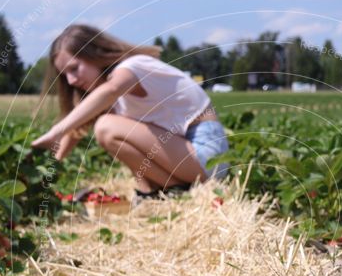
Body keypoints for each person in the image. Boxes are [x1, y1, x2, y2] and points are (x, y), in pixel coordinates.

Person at [31, 24, 229, 196]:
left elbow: (111, 90)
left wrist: (56, 131)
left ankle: (167, 190)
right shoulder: (114, 98)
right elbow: (76, 131)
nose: (71, 80)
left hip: (207, 154)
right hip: (184, 156)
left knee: (106, 128)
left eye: (74, 68)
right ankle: (157, 192)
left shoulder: (133, 67)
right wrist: (49, 170)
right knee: (106, 127)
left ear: (94, 55)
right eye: (65, 75)